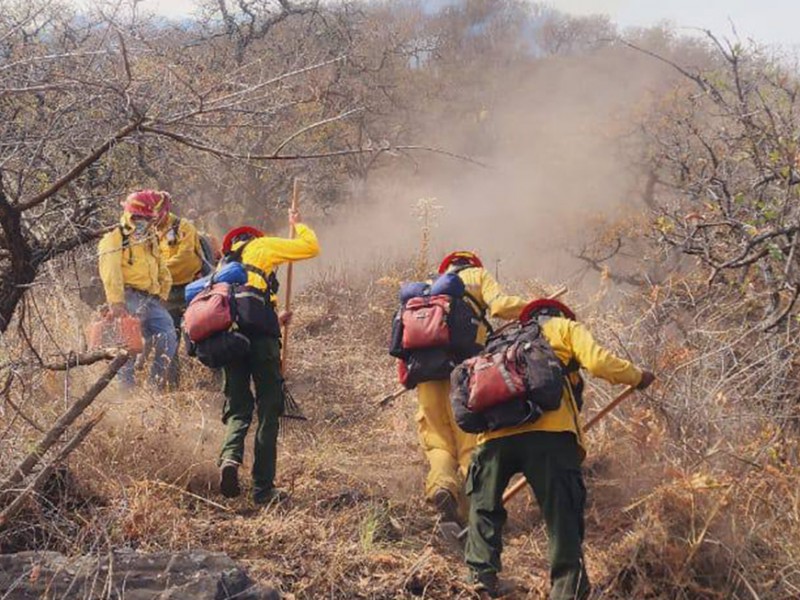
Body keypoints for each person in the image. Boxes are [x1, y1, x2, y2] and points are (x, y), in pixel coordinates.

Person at [464, 298, 655, 599]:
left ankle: (479, 578)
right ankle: (567, 589)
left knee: (484, 508)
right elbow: (599, 363)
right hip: (550, 437)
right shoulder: (565, 328)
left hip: (492, 438)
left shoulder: (499, 343)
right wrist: (637, 376)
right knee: (561, 515)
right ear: (560, 314)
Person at [416, 251, 528, 526]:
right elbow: (500, 306)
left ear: (446, 268)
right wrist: (533, 306)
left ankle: (442, 488)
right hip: (463, 372)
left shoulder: (428, 289)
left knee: (437, 440)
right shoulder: (478, 276)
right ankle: (472, 516)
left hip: (426, 373)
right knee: (469, 443)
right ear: (473, 264)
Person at [218, 208, 320, 505]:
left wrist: (276, 318)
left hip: (228, 341)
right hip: (261, 342)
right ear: (253, 238)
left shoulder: (221, 269)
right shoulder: (261, 247)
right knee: (267, 410)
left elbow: (243, 309)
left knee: (238, 408)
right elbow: (310, 247)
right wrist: (298, 224)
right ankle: (263, 489)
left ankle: (230, 459)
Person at [97, 190, 177, 390]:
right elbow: (110, 271)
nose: (145, 221)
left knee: (168, 337)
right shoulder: (114, 238)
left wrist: (163, 293)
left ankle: (154, 388)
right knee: (127, 348)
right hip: (127, 297)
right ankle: (126, 394)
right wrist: (116, 302)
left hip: (150, 299)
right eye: (140, 217)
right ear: (131, 215)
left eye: (147, 218)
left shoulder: (149, 237)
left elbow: (161, 266)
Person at [158, 206, 205, 387]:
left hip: (192, 286)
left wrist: (156, 270)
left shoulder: (184, 227)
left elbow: (185, 257)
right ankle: (173, 386)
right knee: (169, 338)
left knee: (206, 329)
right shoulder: (148, 231)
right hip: (167, 292)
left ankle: (217, 377)